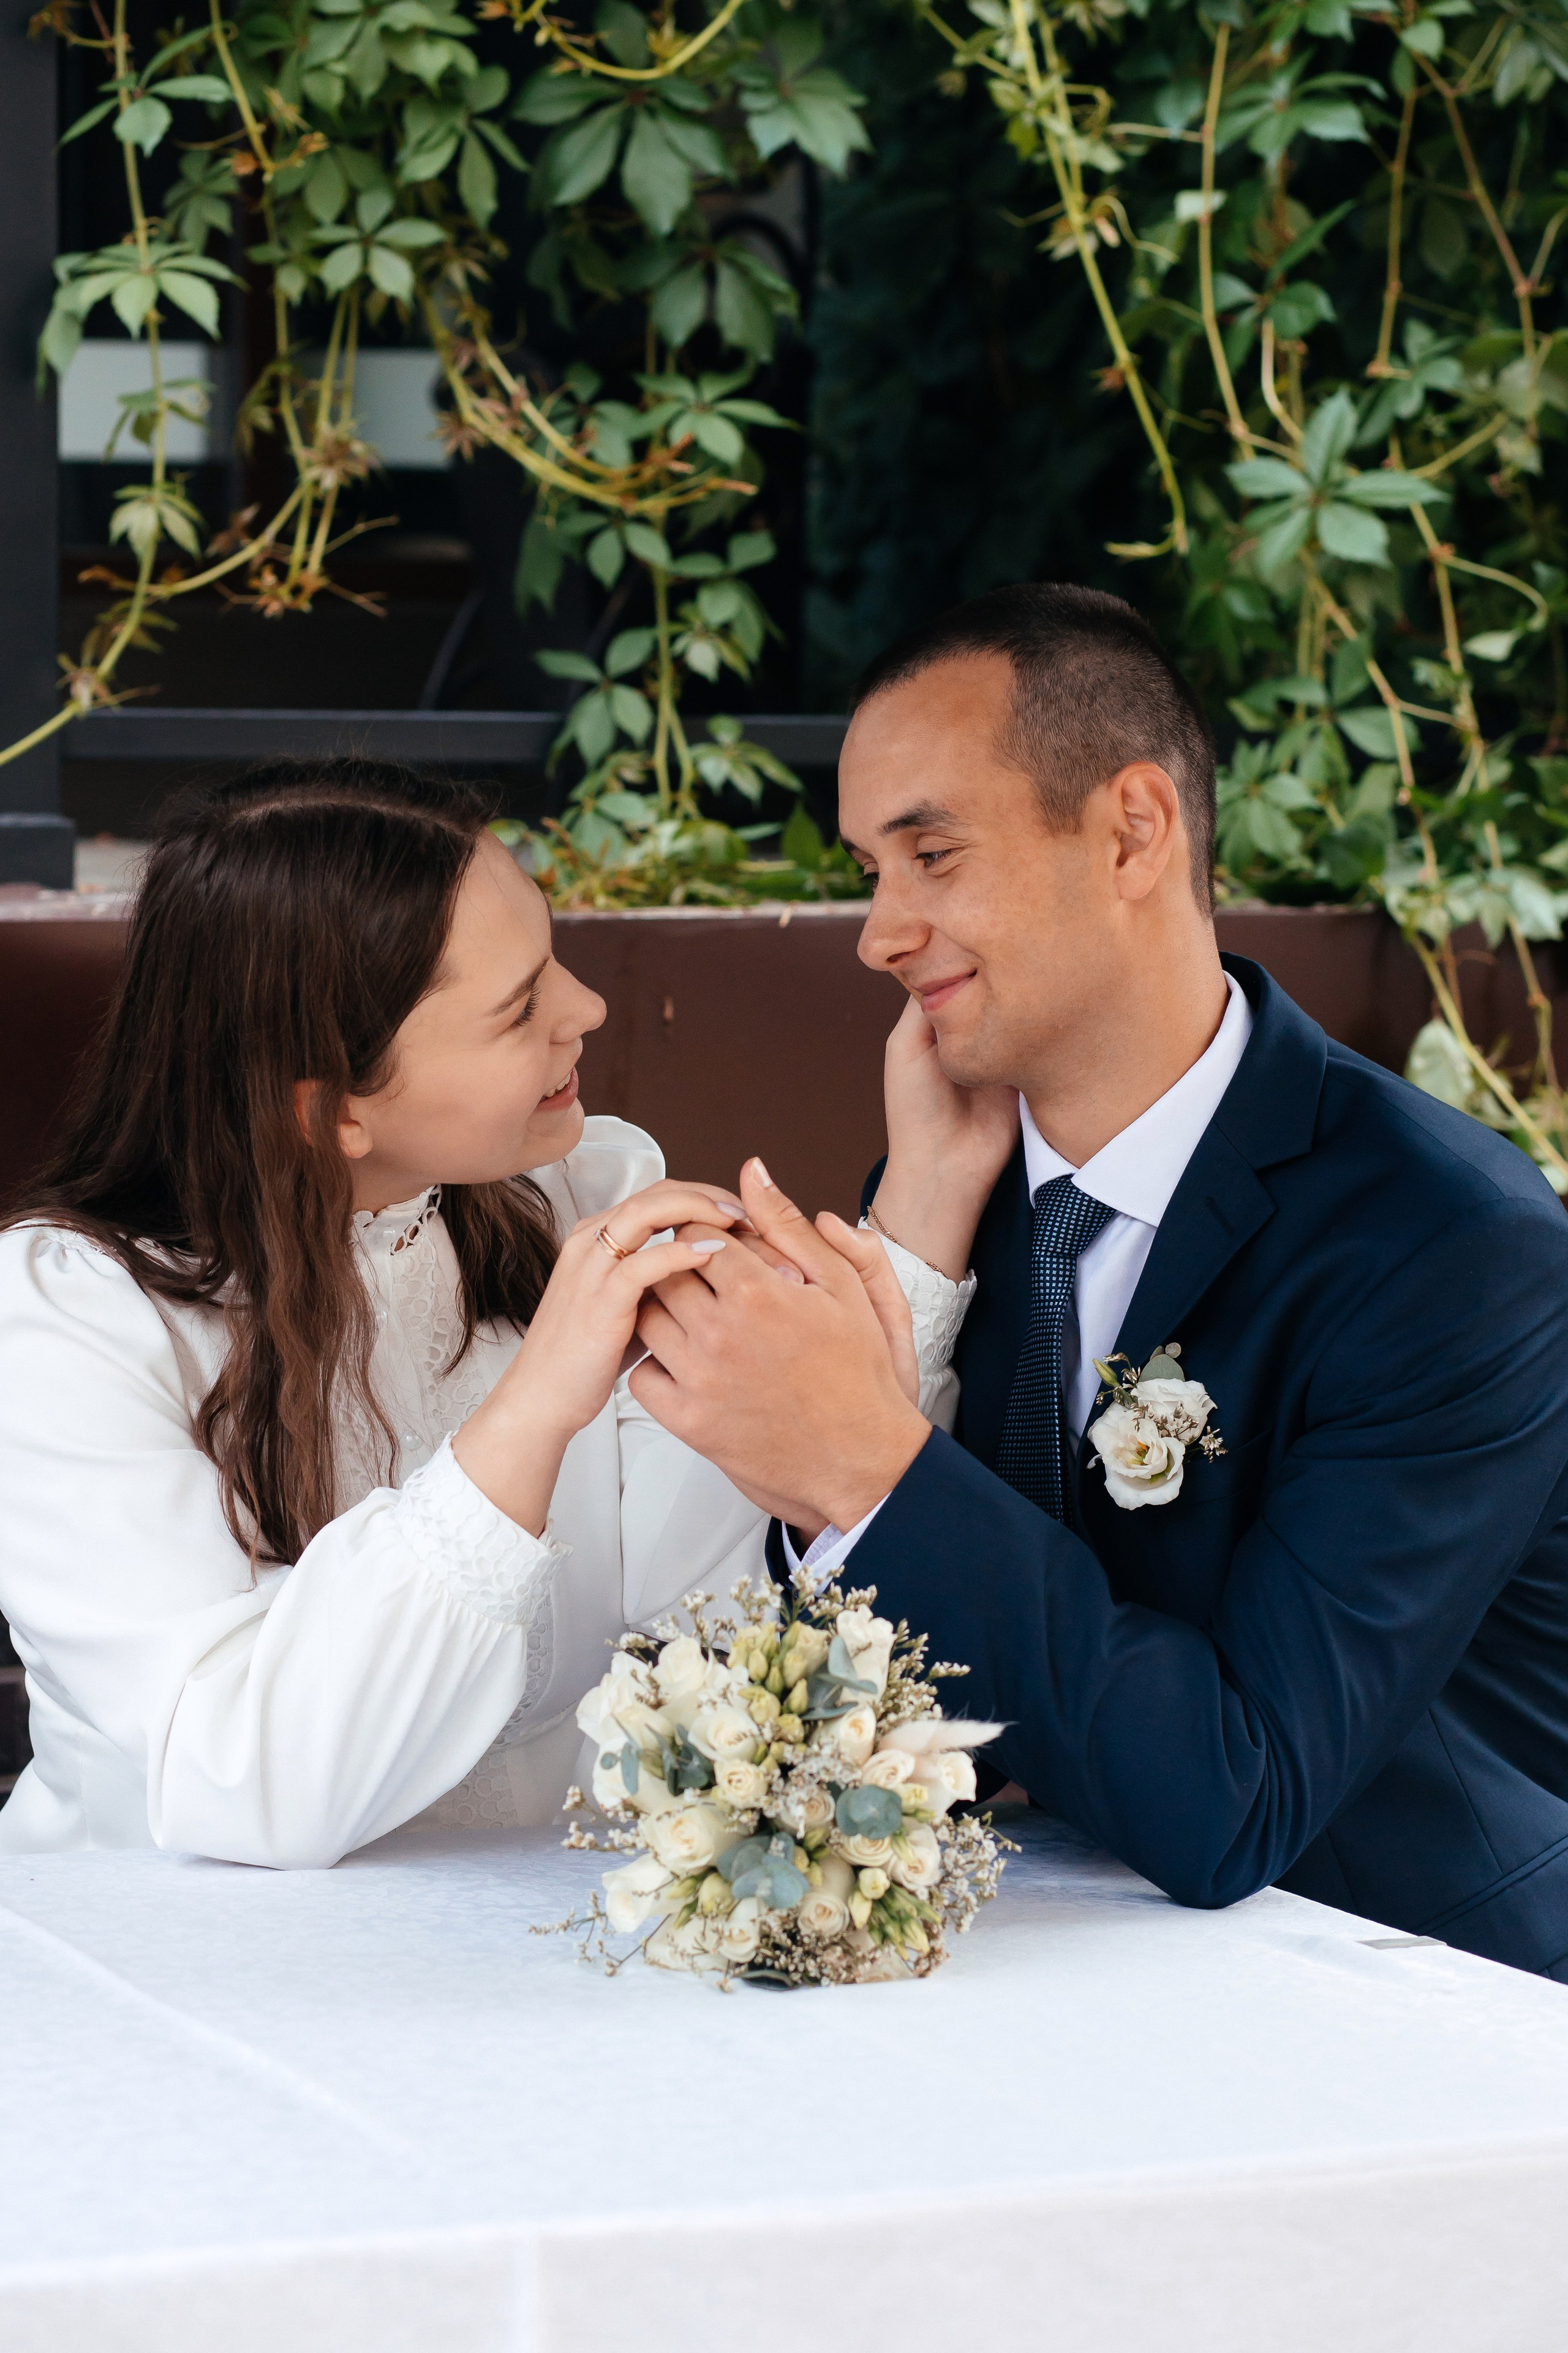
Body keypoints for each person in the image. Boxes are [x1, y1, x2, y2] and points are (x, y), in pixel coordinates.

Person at [627, 582, 1568, 1980]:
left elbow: (1235, 1788)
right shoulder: (958, 1176)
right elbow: (852, 1684)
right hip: (1046, 1975)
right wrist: (918, 1245)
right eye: (870, 871)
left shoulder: (1449, 1246)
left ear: (1131, 828)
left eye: (929, 855)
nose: (879, 933)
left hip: (1414, 2003)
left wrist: (877, 1472)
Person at [0, 761, 944, 1869]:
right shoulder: (69, 1322)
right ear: (333, 1109)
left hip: (540, 1961)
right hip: (173, 1974)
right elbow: (245, 1779)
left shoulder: (588, 1195)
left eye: (554, 964)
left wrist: (909, 1226)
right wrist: (533, 1408)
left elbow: (717, 1630)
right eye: (519, 1008)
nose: (585, 1012)